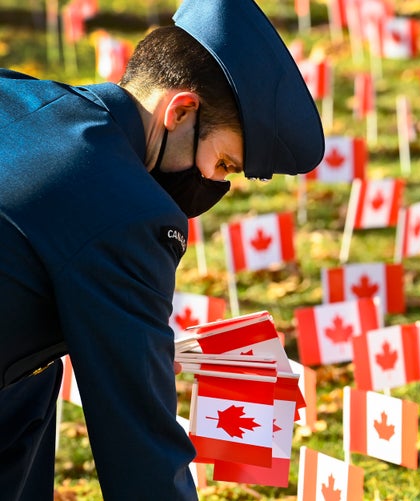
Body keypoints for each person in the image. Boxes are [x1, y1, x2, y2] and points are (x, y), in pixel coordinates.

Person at [0, 0, 324, 499]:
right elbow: (139, 443)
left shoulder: (16, 93)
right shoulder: (129, 214)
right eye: (224, 163)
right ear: (181, 111)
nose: (215, 186)